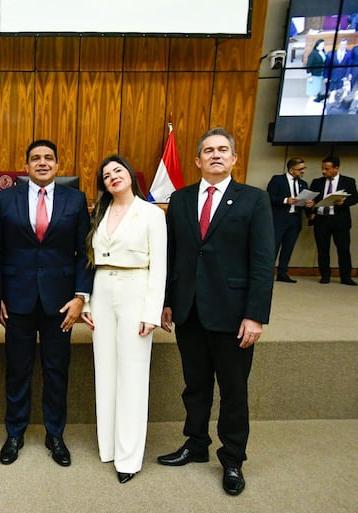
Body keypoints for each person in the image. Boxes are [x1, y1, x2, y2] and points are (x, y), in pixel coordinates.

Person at [158, 127, 275, 496]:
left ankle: (233, 458)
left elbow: (262, 262)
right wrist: (166, 301)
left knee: (233, 389)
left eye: (223, 149)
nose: (216, 155)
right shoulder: (179, 199)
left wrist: (255, 315)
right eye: (208, 150)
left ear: (234, 158)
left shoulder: (254, 200)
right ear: (197, 160)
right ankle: (195, 443)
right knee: (195, 386)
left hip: (233, 314)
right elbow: (172, 256)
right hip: (189, 310)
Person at [0, 139, 93, 467]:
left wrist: (80, 296)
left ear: (58, 165)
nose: (43, 162)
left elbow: (84, 252)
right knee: (17, 369)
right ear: (26, 166)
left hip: (60, 302)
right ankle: (15, 433)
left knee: (56, 370)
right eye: (36, 158)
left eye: (49, 158)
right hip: (16, 299)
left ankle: (55, 434)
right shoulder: (6, 199)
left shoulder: (75, 199)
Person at [79, 155, 166, 484]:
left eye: (118, 171)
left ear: (130, 175)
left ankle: (128, 457)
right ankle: (109, 447)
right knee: (105, 371)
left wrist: (151, 311)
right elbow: (89, 260)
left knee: (132, 376)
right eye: (106, 175)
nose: (113, 177)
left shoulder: (151, 213)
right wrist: (87, 302)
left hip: (135, 290)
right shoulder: (99, 212)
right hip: (103, 291)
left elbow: (160, 266)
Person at [308, 155, 358, 285]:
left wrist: (344, 202)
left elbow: (355, 198)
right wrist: (310, 212)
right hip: (321, 220)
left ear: (336, 168)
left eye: (327, 169)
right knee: (322, 249)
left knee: (343, 249)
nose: (323, 171)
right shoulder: (317, 182)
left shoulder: (348, 181)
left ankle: (345, 277)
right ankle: (325, 276)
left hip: (340, 220)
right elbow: (310, 199)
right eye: (322, 168)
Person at [266, 158, 313, 283]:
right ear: (291, 170)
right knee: (273, 247)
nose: (302, 171)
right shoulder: (277, 180)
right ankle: (267, 274)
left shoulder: (303, 184)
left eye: (303, 168)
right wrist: (285, 200)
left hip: (295, 220)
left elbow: (304, 201)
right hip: (279, 219)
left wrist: (308, 205)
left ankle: (282, 273)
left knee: (288, 248)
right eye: (300, 169)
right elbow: (269, 197)